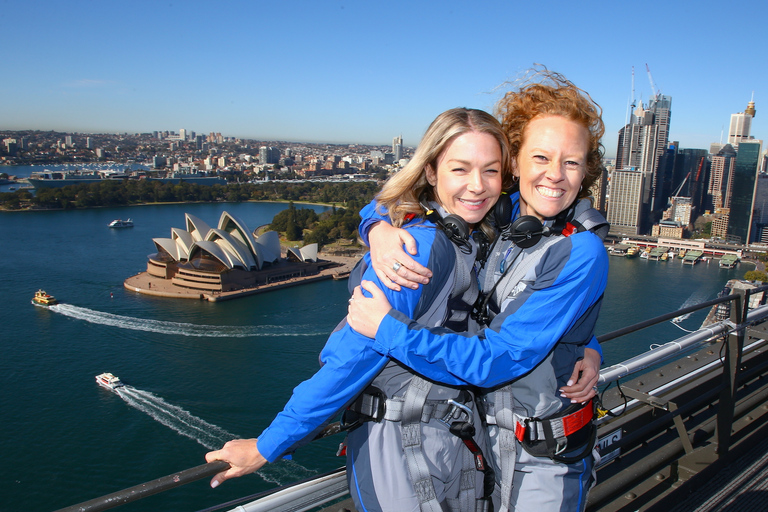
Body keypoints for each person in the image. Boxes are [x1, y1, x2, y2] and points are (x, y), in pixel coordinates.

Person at [207, 107, 524, 511]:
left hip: (444, 441)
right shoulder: (418, 249)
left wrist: (374, 222)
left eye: (491, 171)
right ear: (431, 172)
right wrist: (269, 444)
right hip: (405, 454)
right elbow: (351, 358)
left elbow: (549, 199)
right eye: (460, 169)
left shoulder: (471, 232)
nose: (477, 186)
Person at [346, 69, 609, 512]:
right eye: (541, 157)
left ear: (586, 173)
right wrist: (378, 228)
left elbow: (497, 359)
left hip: (545, 458)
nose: (555, 175)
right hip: (485, 446)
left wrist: (386, 329)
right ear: (516, 163)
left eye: (572, 162)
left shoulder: (579, 249)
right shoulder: (501, 219)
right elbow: (403, 195)